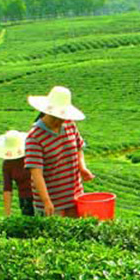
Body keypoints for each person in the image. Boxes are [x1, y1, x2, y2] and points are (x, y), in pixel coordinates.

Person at [24, 86, 93, 217]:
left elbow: (78, 147)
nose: (62, 120)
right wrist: (46, 201)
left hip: (75, 196)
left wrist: (82, 167)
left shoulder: (69, 124)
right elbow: (36, 173)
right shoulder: (35, 137)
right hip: (52, 203)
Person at [0, 129, 33, 216]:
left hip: (40, 195)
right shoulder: (7, 164)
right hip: (25, 199)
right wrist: (7, 214)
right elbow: (7, 189)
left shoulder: (31, 155)